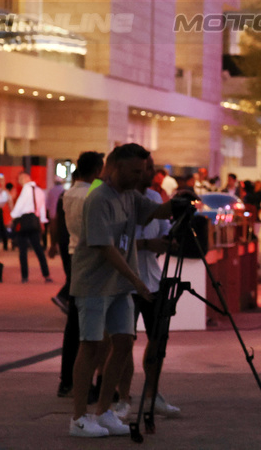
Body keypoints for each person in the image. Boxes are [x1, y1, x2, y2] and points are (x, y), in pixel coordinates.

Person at [68, 144, 179, 438]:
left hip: (120, 286)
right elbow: (105, 247)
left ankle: (104, 411)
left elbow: (155, 212)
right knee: (90, 346)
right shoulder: (99, 198)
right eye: (135, 171)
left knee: (124, 342)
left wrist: (181, 204)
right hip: (94, 284)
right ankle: (79, 418)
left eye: (143, 171)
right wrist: (136, 279)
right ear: (114, 167)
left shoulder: (131, 196)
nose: (140, 177)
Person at [132, 156, 180, 419]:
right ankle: (120, 397)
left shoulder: (154, 196)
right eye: (145, 168)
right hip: (125, 283)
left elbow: (164, 230)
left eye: (151, 167)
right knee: (120, 341)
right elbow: (107, 243)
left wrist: (166, 242)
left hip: (152, 279)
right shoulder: (116, 198)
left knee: (158, 339)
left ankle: (152, 394)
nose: (151, 173)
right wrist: (145, 245)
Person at [54, 152, 103, 398]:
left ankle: (66, 380)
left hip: (74, 255)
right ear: (97, 170)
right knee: (90, 326)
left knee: (74, 323)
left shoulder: (69, 193)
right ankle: (85, 383)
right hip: (90, 258)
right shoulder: (92, 195)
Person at [10, 173, 52, 284]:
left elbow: (19, 205)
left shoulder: (26, 189)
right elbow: (42, 207)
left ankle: (25, 276)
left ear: (24, 179)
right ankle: (46, 274)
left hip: (24, 221)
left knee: (23, 250)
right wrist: (42, 221)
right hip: (34, 221)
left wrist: (13, 215)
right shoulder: (39, 190)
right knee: (38, 249)